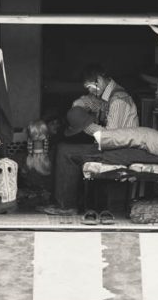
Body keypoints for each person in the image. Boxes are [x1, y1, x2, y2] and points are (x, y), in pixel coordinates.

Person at [43, 64, 139, 215]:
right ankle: (61, 201)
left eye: (89, 87)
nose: (89, 91)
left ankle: (66, 206)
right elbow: (92, 102)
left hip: (119, 151)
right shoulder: (106, 96)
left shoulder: (118, 101)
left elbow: (110, 138)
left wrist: (87, 126)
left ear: (99, 80)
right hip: (112, 149)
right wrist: (79, 104)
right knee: (63, 148)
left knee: (65, 151)